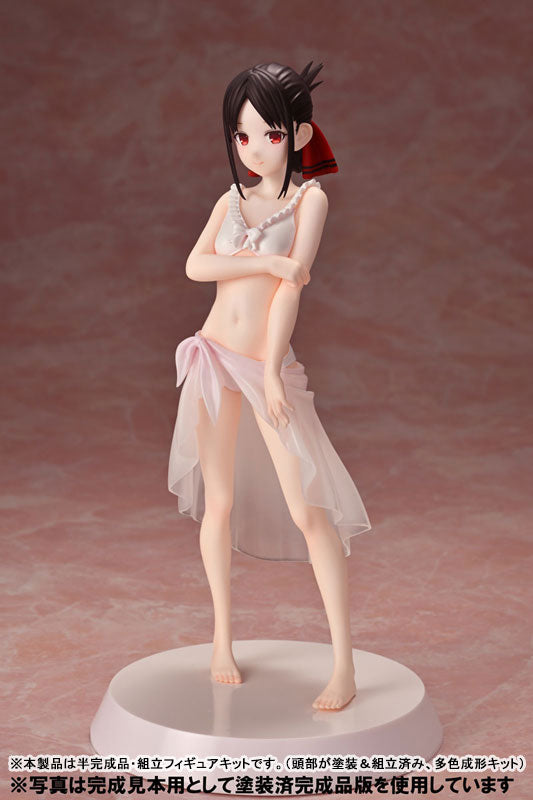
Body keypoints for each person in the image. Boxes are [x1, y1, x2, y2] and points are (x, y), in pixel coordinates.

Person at [168, 62, 371, 711]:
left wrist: (272, 368)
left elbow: (290, 292)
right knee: (218, 502)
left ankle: (343, 665)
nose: (254, 148)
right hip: (211, 357)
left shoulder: (309, 201)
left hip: (263, 363)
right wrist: (264, 258)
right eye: (242, 135)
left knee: (308, 507)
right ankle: (221, 640)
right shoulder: (229, 201)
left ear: (299, 134)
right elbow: (195, 266)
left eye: (271, 134)